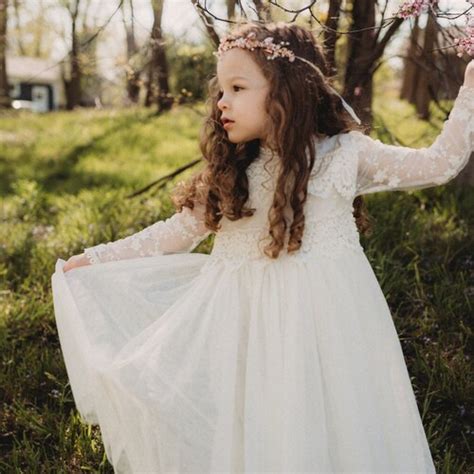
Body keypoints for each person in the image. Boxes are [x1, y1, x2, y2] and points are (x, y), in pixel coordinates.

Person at [51, 20, 473, 473]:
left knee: (329, 422)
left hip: (326, 328)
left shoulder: (345, 154)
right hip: (245, 330)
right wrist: (94, 259)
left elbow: (438, 164)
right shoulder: (233, 173)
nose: (222, 102)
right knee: (253, 427)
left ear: (285, 89)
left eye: (237, 87)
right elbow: (170, 235)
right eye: (221, 89)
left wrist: (469, 89)